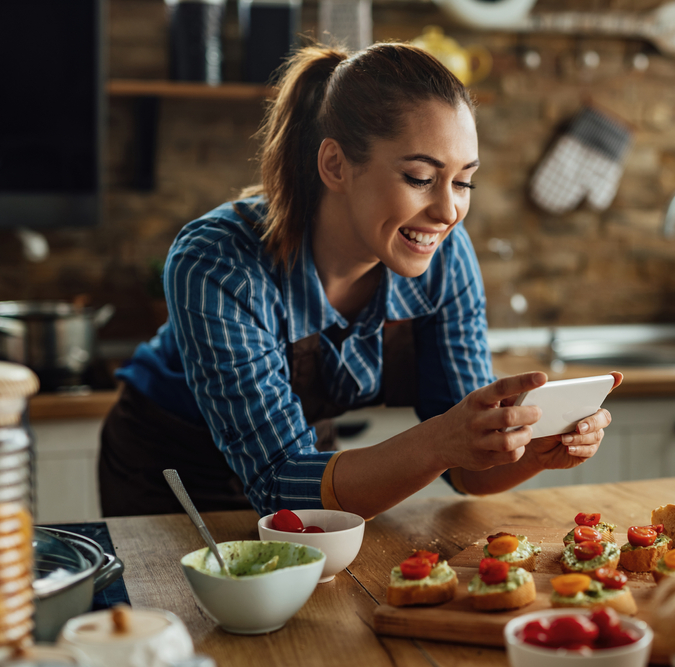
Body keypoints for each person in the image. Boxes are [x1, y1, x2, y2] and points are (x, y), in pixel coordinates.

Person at [98, 42, 619, 520]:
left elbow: (466, 466)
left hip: (307, 461)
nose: (448, 210)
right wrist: (440, 440)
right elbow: (283, 487)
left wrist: (533, 451)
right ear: (335, 165)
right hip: (171, 475)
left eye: (463, 182)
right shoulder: (218, 262)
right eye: (420, 178)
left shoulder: (445, 257)